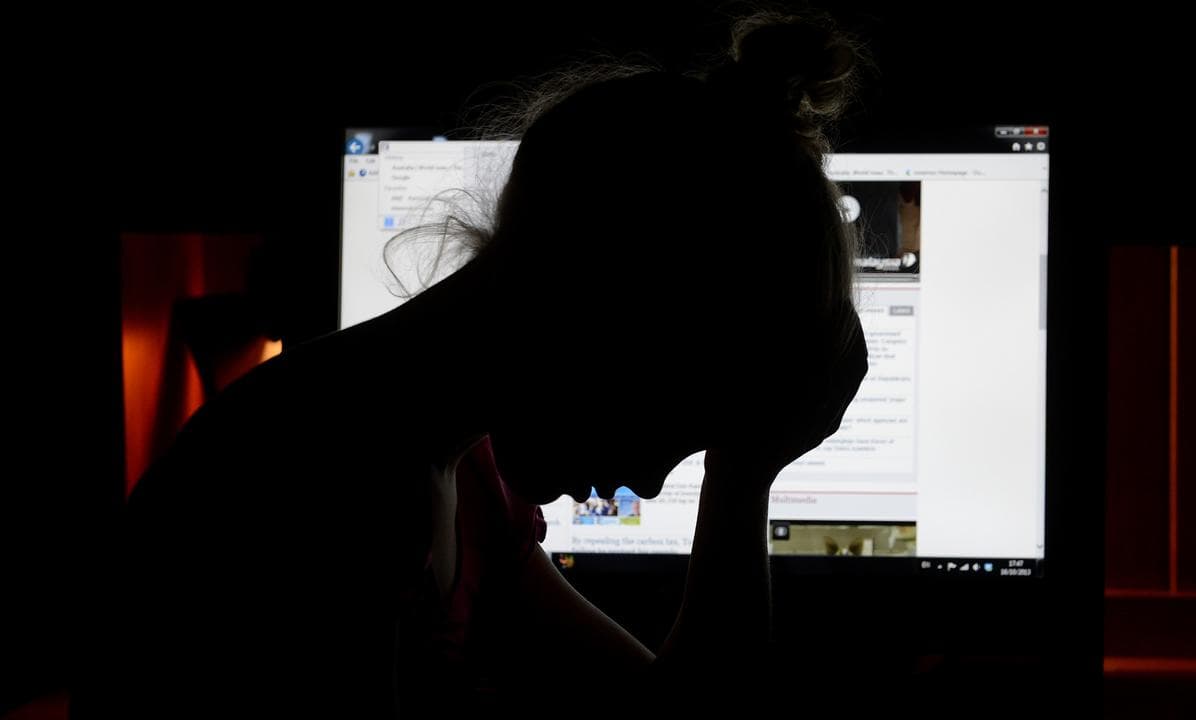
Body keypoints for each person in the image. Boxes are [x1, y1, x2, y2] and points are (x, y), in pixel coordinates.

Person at [88, 10, 869, 717]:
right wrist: (741, 476)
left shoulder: (462, 482)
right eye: (676, 422)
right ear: (607, 313)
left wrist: (744, 471)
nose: (655, 477)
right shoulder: (326, 490)